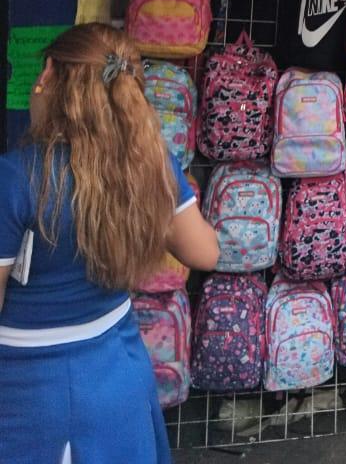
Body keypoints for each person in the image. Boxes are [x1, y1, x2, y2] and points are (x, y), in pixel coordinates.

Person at [0, 23, 220, 463]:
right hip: (120, 377)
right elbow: (205, 252)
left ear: (47, 75)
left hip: (28, 399)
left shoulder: (14, 176)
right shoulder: (151, 164)